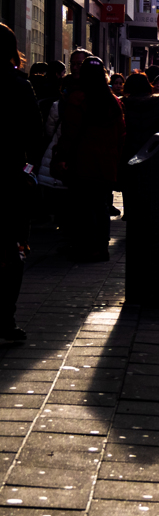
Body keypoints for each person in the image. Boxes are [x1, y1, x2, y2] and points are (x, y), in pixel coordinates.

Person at [52, 56, 125, 261]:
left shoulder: (78, 99)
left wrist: (61, 156)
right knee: (101, 205)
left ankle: (84, 246)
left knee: (83, 205)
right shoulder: (113, 102)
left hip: (83, 161)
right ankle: (101, 247)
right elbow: (121, 134)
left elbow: (70, 132)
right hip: (106, 164)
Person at [1, 23, 43, 340]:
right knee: (11, 247)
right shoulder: (19, 85)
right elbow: (35, 134)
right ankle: (5, 318)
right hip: (8, 178)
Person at [120, 73, 159, 221]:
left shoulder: (123, 105)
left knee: (129, 185)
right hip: (150, 151)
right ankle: (146, 212)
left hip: (128, 150)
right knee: (147, 183)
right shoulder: (155, 105)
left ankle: (128, 212)